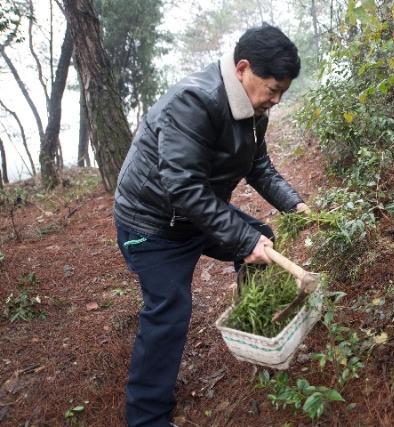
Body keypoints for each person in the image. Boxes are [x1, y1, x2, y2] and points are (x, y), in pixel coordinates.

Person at [113, 24, 309, 427]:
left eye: (282, 93)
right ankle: (146, 416)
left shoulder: (254, 111)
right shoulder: (194, 101)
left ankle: (257, 329)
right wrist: (241, 237)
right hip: (152, 224)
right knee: (169, 310)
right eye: (273, 89)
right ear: (243, 68)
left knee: (263, 244)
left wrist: (297, 205)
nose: (275, 100)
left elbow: (259, 167)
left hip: (196, 214)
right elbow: (182, 186)